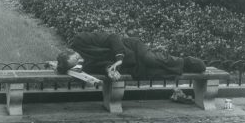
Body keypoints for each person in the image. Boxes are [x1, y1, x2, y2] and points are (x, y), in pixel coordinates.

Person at [56, 32, 206, 81]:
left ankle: (186, 61)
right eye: (74, 64)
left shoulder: (81, 40)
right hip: (130, 64)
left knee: (150, 59)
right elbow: (102, 66)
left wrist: (119, 58)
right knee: (156, 73)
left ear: (72, 51)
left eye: (76, 58)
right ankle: (185, 68)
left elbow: (113, 38)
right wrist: (109, 70)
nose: (79, 62)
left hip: (131, 47)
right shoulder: (84, 65)